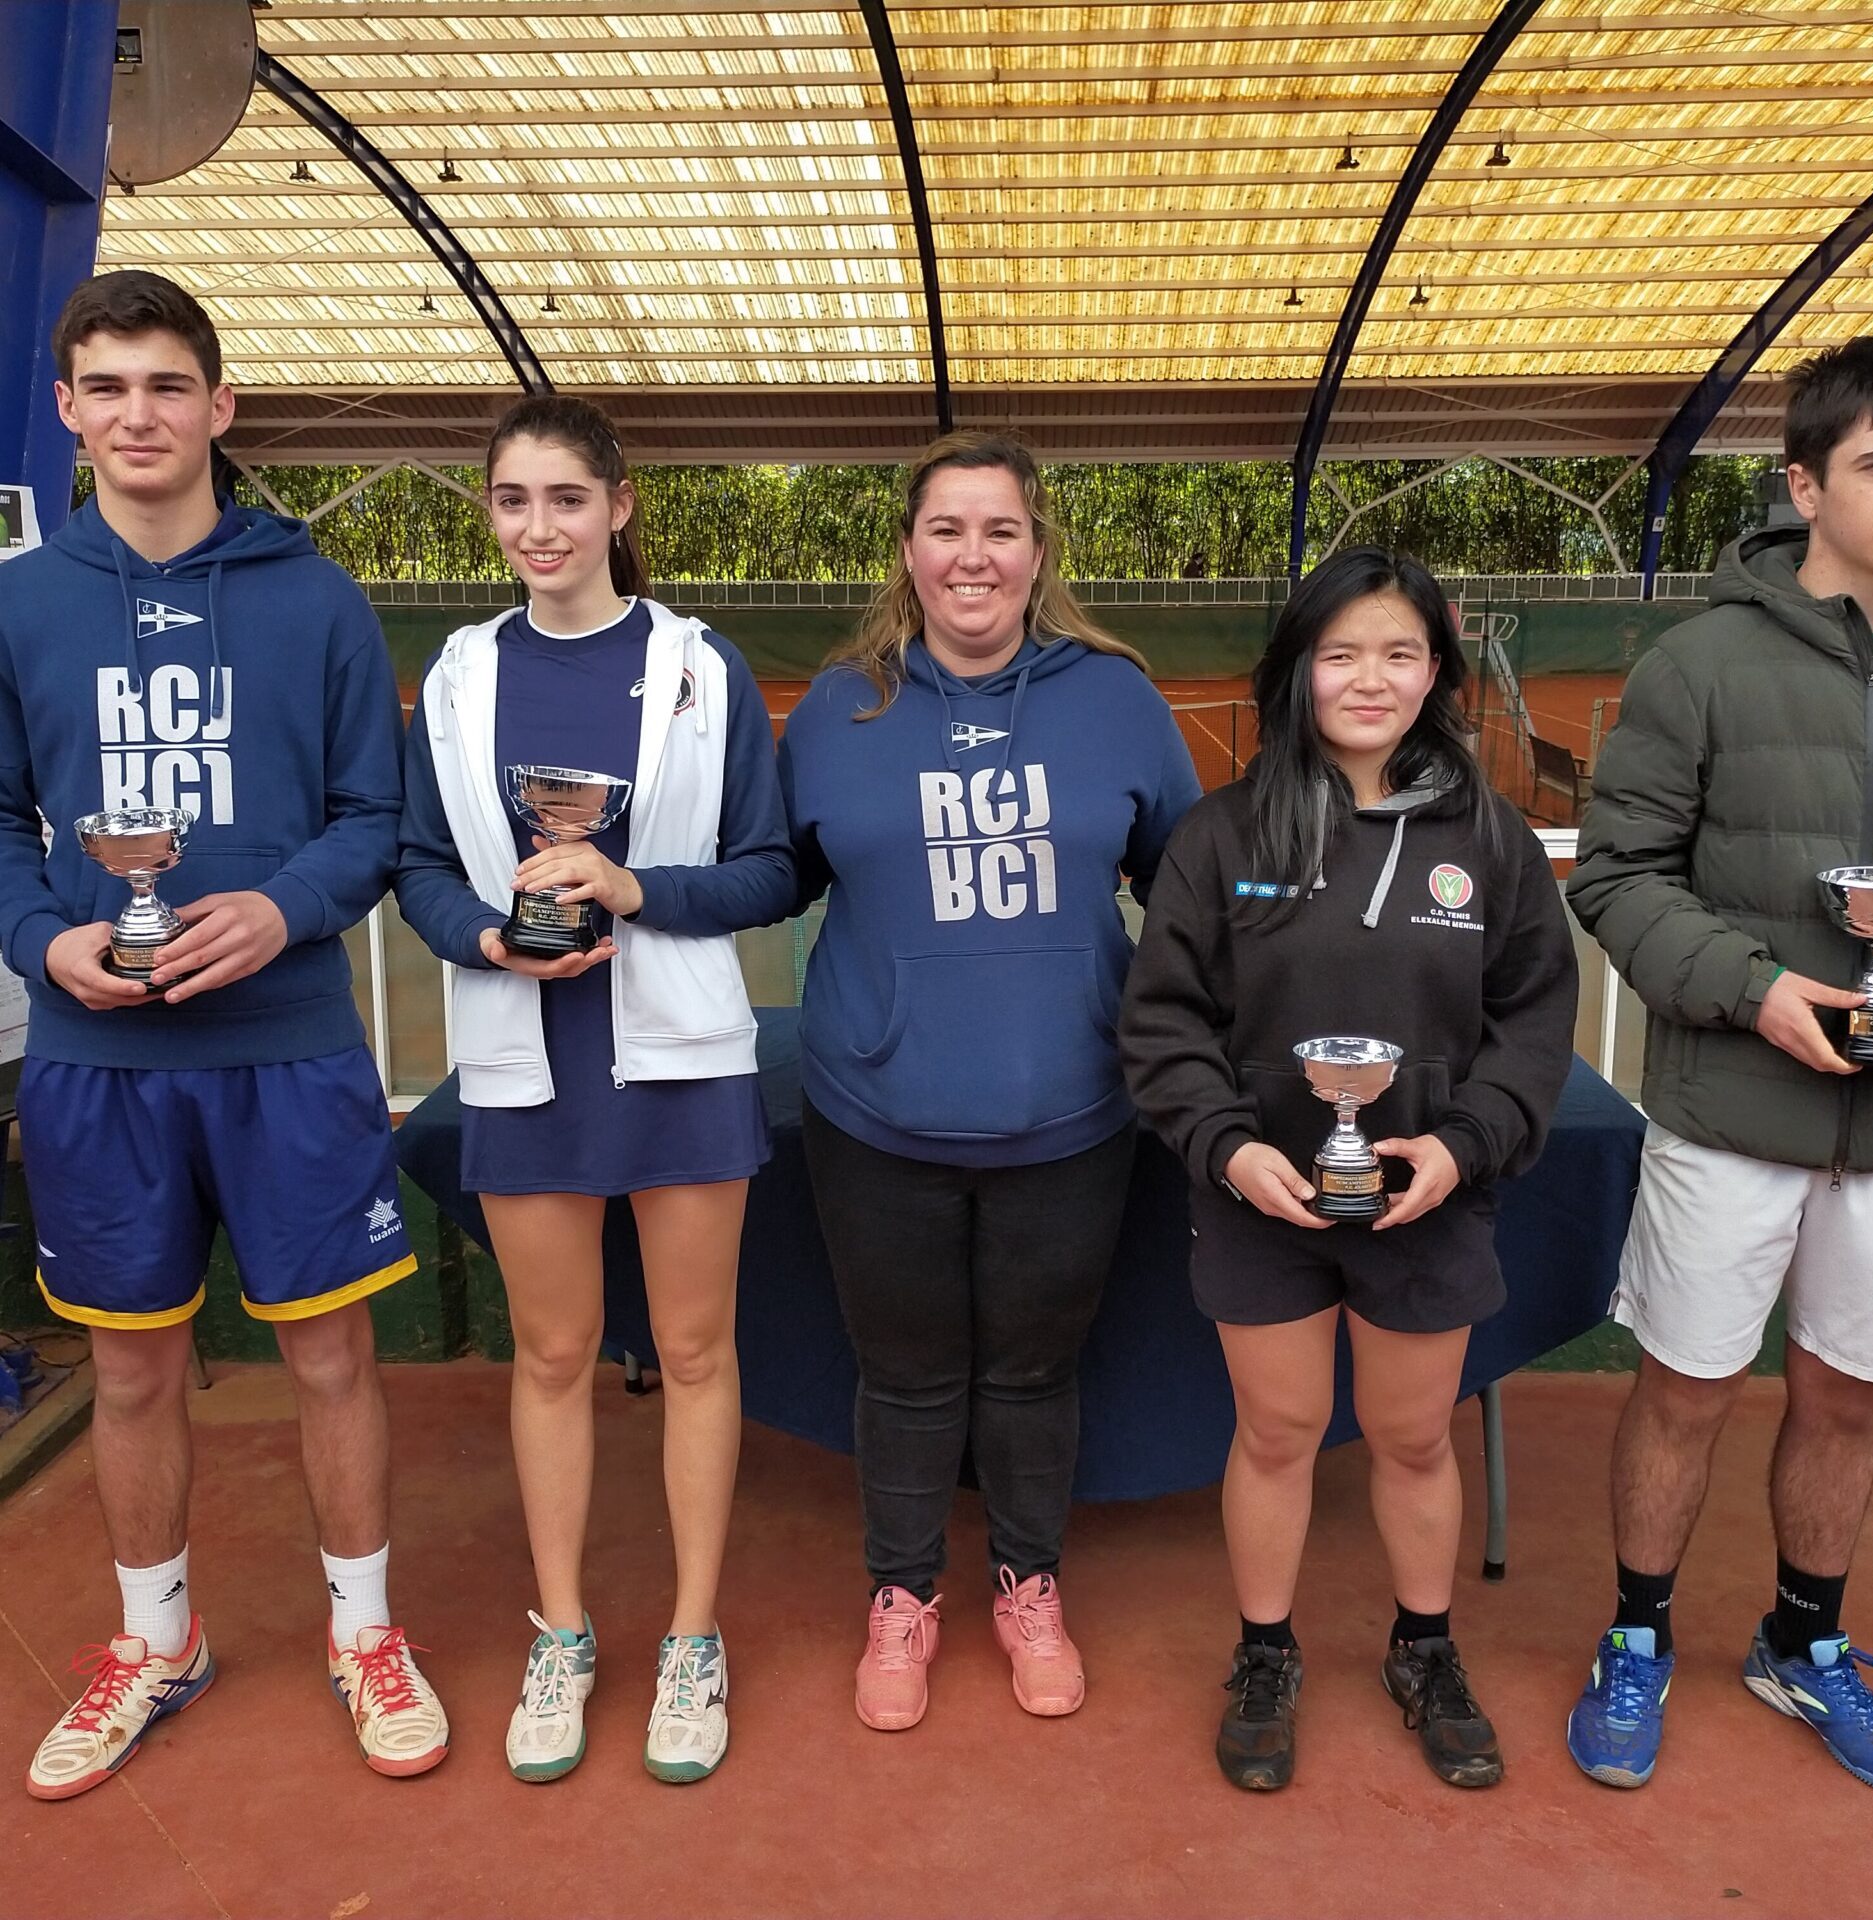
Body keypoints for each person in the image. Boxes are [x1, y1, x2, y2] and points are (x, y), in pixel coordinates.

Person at [0, 270, 446, 1799]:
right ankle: (157, 1641)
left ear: (219, 406)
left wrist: (283, 908)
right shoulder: (21, 602)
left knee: (330, 1356)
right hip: (97, 1059)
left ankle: (366, 1633)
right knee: (129, 1376)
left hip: (288, 1047)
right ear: (69, 410)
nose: (139, 415)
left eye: (167, 385)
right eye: (109, 387)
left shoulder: (316, 598)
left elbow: (373, 816)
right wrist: (45, 940)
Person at [1120, 547, 1576, 1793]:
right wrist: (1228, 1147)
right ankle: (1265, 1654)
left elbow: (1535, 1020)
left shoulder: (1489, 840)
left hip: (1428, 1197)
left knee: (1412, 1436)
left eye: (1400, 654)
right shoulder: (1223, 833)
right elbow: (1164, 1022)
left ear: (1436, 672)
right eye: (1341, 654)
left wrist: (1464, 1144)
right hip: (1261, 1198)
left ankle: (1423, 1648)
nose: (1370, 679)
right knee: (1276, 1431)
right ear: (1298, 670)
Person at [394, 393, 793, 1785]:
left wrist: (634, 888)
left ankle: (692, 1637)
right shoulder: (457, 675)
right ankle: (560, 1631)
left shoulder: (699, 665)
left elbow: (770, 869)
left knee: (695, 1353)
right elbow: (418, 867)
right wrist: (484, 939)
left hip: (683, 1058)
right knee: (553, 1355)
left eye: (567, 498)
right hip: (524, 1058)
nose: (539, 527)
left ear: (618, 507)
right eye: (512, 500)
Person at [778, 431, 1200, 1730]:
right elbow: (769, 875)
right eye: (947, 529)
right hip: (875, 1114)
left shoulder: (1115, 699)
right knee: (903, 1377)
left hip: (1070, 1117)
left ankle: (1029, 1586)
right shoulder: (840, 709)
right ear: (909, 551)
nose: (974, 556)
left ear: (1037, 550)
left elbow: (1189, 890)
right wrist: (629, 887)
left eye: (1000, 530)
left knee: (1030, 1376)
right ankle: (902, 1599)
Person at [1564, 334, 1873, 1798]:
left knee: (1849, 1399)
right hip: (1730, 1109)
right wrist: (1758, 990)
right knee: (1687, 1389)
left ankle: (1804, 1640)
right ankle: (1635, 1634)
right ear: (1806, 485)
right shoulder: (1699, 664)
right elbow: (1616, 875)